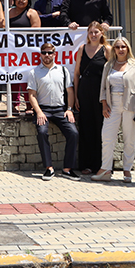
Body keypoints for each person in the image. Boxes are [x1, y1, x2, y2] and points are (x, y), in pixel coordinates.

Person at [92, 37, 135, 183]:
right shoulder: (108, 65)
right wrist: (104, 104)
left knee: (129, 138)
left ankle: (127, 170)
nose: (120, 50)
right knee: (107, 137)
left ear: (128, 48)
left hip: (130, 104)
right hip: (112, 104)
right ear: (114, 49)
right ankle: (106, 169)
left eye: (123, 47)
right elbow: (103, 87)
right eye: (117, 47)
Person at [27, 43, 80, 181]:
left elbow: (70, 91)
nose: (47, 55)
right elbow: (31, 95)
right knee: (42, 132)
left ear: (54, 54)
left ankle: (67, 169)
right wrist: (38, 112)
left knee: (73, 133)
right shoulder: (34, 72)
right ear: (40, 54)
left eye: (50, 52)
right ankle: (48, 168)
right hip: (43, 109)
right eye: (44, 53)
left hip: (60, 109)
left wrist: (69, 109)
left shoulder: (63, 70)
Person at [73, 21, 110, 175]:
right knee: (86, 128)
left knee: (100, 128)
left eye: (96, 32)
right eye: (91, 32)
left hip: (100, 93)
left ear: (102, 33)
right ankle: (86, 164)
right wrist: (75, 96)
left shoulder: (107, 49)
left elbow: (111, 74)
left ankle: (100, 165)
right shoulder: (82, 49)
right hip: (84, 91)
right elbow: (76, 73)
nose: (93, 35)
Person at [8, 0, 40, 111]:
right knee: (13, 78)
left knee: (27, 79)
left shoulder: (31, 13)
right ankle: (13, 105)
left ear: (28, 0)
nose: (21, 1)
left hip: (27, 53)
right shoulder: (9, 12)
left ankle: (29, 105)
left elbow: (36, 30)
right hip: (11, 52)